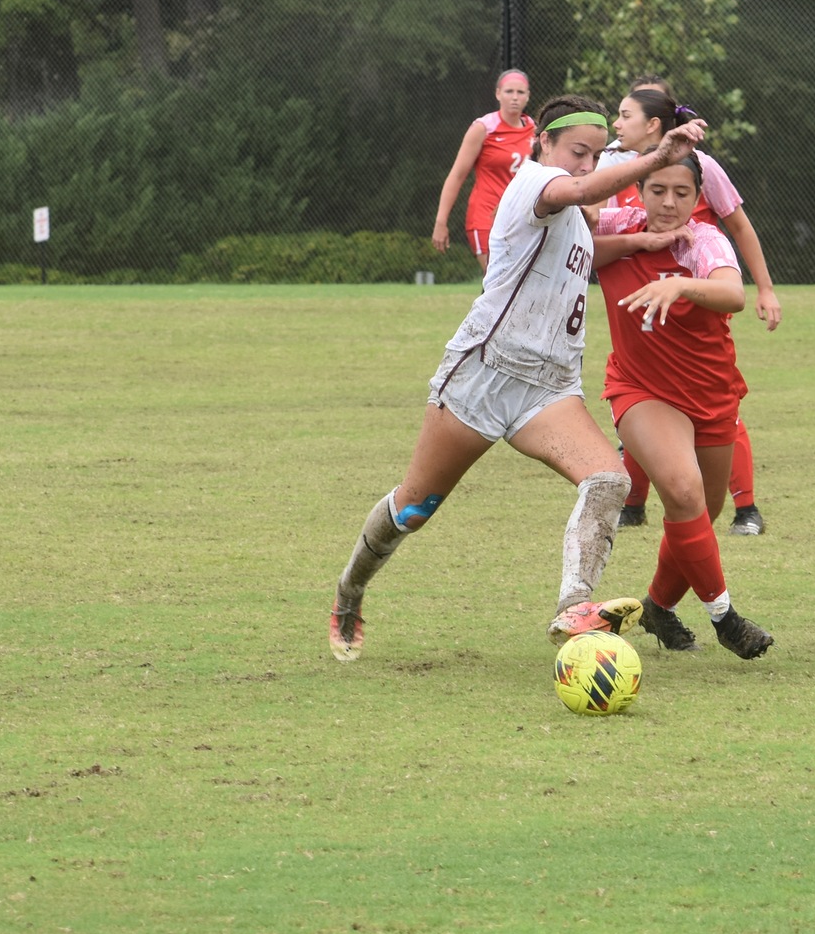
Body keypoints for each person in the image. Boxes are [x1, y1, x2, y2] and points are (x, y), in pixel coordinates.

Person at [328, 95, 709, 661]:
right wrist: (656, 158)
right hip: (484, 374)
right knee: (415, 506)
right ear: (544, 145)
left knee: (608, 482)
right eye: (574, 152)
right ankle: (350, 591)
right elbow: (580, 190)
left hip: (549, 387)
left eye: (593, 154)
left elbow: (584, 238)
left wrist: (639, 236)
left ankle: (575, 607)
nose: (584, 164)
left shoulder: (577, 217)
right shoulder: (535, 181)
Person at [591, 151, 774, 659]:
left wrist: (678, 283)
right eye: (656, 190)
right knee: (681, 487)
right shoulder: (616, 222)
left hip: (711, 393)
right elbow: (559, 216)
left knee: (700, 509)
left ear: (697, 198)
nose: (669, 203)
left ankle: (657, 606)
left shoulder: (704, 239)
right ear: (638, 188)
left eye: (682, 193)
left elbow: (732, 294)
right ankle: (725, 617)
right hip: (639, 387)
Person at [599, 83, 780, 536]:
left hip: (698, 322)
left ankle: (746, 508)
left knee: (715, 416)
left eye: (625, 115)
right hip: (642, 333)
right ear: (639, 188)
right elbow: (575, 218)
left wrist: (764, 288)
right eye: (656, 189)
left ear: (653, 126)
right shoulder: (611, 169)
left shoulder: (702, 177)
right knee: (647, 415)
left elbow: (737, 226)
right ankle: (634, 503)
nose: (617, 124)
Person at [432, 69, 536, 262]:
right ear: (498, 94)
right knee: (497, 280)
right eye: (509, 91)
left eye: (520, 92)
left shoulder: (534, 130)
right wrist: (441, 221)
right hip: (486, 216)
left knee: (514, 285)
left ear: (528, 96)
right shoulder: (483, 128)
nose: (515, 97)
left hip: (520, 218)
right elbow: (456, 176)